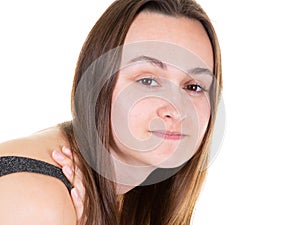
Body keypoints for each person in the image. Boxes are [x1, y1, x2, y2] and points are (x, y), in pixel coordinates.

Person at [0, 0, 222, 224]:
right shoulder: (36, 199)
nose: (177, 109)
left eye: (194, 87)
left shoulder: (133, 194)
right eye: (147, 81)